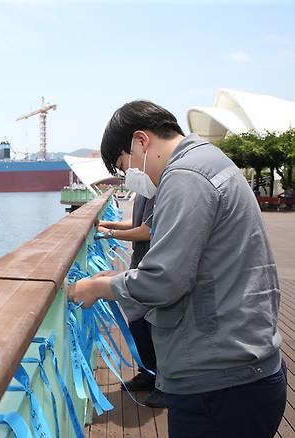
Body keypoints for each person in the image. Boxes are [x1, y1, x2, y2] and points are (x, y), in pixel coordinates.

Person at [69, 100, 285, 438]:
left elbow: (166, 280)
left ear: (141, 141)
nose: (132, 178)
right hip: (243, 367)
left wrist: (99, 288)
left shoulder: (185, 176)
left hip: (220, 381)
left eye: (126, 167)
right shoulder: (207, 161)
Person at [97, 194, 165, 408]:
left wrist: (108, 233)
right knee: (137, 324)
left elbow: (147, 231)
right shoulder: (144, 193)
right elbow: (138, 224)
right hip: (139, 264)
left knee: (156, 330)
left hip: (154, 268)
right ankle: (147, 373)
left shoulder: (160, 188)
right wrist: (109, 223)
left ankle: (164, 386)